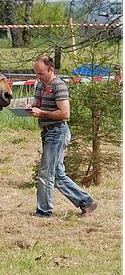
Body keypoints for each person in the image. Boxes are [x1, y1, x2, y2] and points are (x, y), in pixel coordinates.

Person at [29, 55, 97, 217]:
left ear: (51, 69)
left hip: (57, 132)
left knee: (46, 173)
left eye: (40, 73)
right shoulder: (40, 85)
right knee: (57, 175)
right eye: (36, 73)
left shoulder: (59, 86)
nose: (38, 77)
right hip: (47, 132)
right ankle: (86, 202)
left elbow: (65, 114)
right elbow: (37, 104)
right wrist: (28, 108)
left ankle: (44, 212)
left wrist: (42, 113)